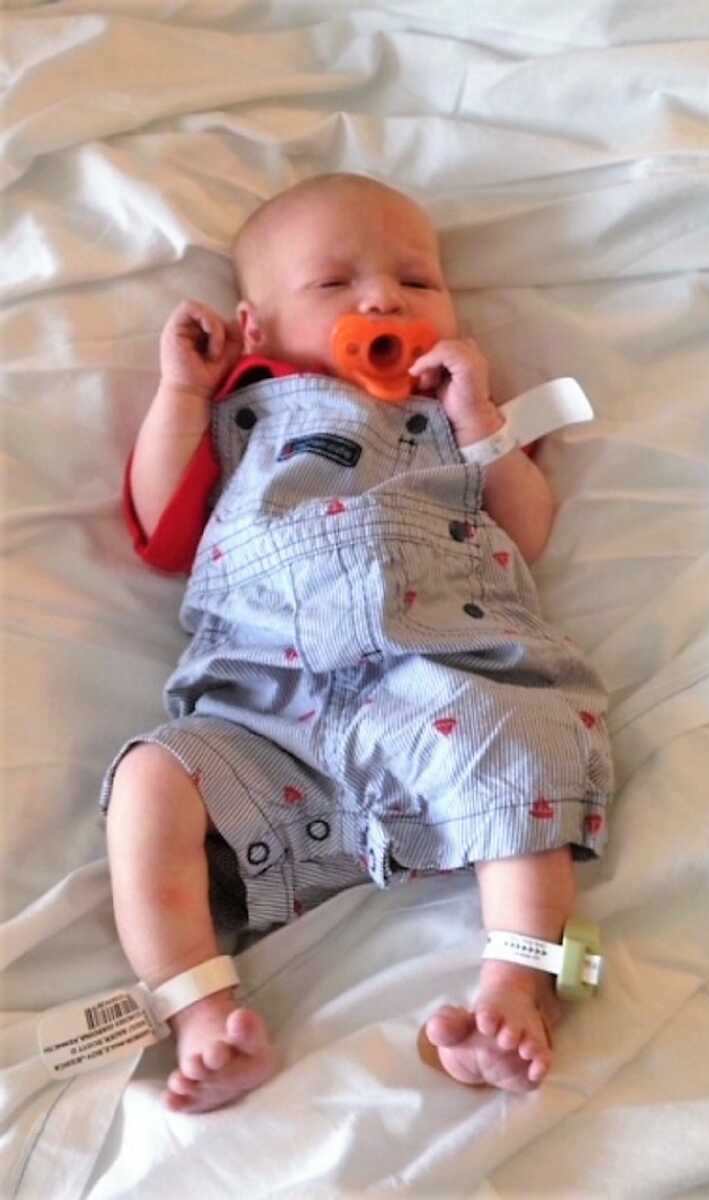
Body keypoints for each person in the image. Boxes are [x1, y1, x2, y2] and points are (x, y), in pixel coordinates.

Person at [101, 172, 613, 1112]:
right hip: (265, 713)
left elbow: (522, 536)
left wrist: (480, 421)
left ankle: (520, 981)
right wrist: (183, 389)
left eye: (416, 281)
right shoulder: (243, 405)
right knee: (148, 780)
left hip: (436, 681)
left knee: (524, 736)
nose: (382, 300)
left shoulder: (453, 417)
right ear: (256, 329)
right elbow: (161, 525)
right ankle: (201, 1009)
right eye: (334, 284)